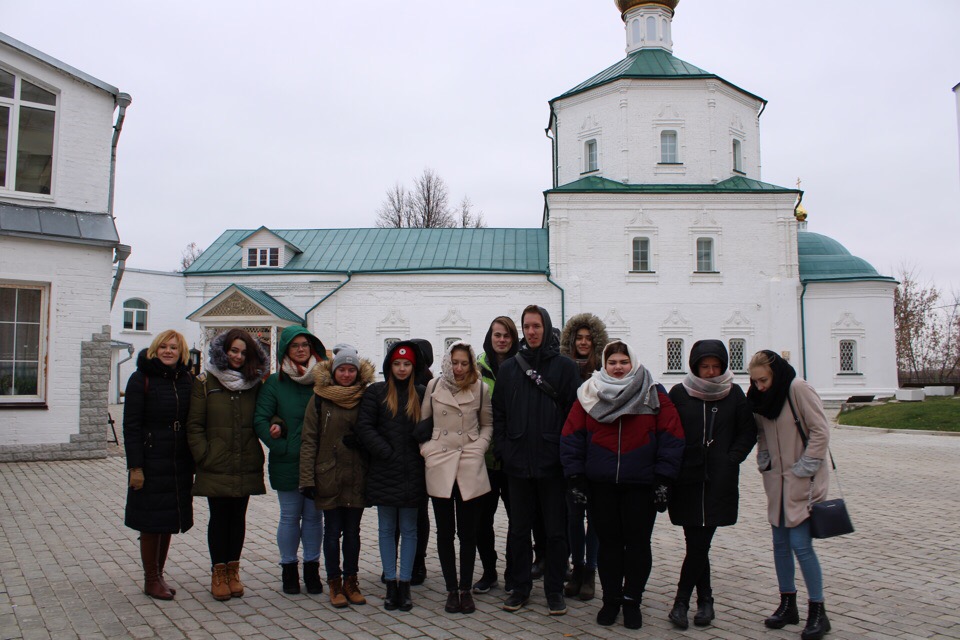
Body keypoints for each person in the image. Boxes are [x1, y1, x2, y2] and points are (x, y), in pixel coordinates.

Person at [560, 340, 684, 629]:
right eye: (612, 362)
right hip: (602, 484)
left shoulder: (652, 392)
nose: (618, 367)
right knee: (610, 546)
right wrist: (576, 476)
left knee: (638, 545)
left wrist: (664, 478)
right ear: (604, 364)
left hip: (640, 484)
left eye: (623, 362)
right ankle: (611, 599)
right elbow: (572, 436)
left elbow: (672, 436)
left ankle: (632, 600)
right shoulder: (590, 392)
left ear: (633, 363)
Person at [492, 305, 580, 616]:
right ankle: (520, 587)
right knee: (519, 530)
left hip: (552, 464)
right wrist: (504, 449)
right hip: (517, 464)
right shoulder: (510, 369)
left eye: (537, 326)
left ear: (546, 327)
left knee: (555, 531)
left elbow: (573, 415)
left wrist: (565, 454)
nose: (531, 332)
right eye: (527, 326)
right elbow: (499, 412)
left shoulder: (564, 368)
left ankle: (554, 590)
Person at [666, 340, 757, 629]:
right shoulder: (680, 393)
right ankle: (705, 601)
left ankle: (682, 602)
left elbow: (747, 431)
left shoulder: (734, 393)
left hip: (719, 478)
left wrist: (732, 458)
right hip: (688, 479)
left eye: (716, 366)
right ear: (695, 366)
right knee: (695, 542)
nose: (710, 372)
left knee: (700, 542)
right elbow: (669, 430)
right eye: (704, 366)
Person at [748, 350, 832, 640]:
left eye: (764, 380)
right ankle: (787, 604)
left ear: (776, 374)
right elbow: (761, 432)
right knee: (780, 544)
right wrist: (764, 458)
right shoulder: (761, 399)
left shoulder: (797, 389)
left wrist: (807, 465)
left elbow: (820, 430)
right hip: (777, 482)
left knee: (801, 545)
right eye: (755, 381)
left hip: (803, 480)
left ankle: (818, 611)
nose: (760, 386)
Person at [187, 329, 268, 601]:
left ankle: (233, 571)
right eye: (234, 350)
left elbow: (266, 415)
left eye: (244, 352)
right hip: (217, 462)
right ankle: (218, 572)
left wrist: (276, 425)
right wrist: (205, 455)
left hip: (245, 460)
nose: (238, 356)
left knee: (238, 518)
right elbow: (194, 425)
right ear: (223, 351)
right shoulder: (205, 382)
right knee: (220, 518)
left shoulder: (254, 384)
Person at [415, 341, 493, 614]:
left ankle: (465, 589)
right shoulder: (435, 386)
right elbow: (423, 424)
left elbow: (487, 425)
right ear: (448, 362)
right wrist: (427, 451)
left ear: (471, 364)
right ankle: (451, 589)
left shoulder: (480, 388)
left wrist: (479, 447)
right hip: (440, 464)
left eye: (464, 363)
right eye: (455, 362)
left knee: (468, 533)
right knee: (445, 532)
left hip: (469, 464)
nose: (459, 368)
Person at [300, 344, 376, 608]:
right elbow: (309, 439)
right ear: (333, 371)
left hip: (356, 474)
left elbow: (374, 431)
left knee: (353, 532)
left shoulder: (365, 397)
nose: (346, 374)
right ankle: (334, 582)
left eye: (350, 370)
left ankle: (351, 581)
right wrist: (307, 479)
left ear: (357, 372)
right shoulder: (319, 398)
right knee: (332, 532)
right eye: (341, 369)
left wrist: (363, 442)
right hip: (328, 474)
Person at [254, 326, 328, 596]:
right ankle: (288, 569)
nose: (300, 349)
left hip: (317, 462)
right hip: (286, 460)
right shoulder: (275, 383)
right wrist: (281, 446)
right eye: (295, 345)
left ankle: (312, 568)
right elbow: (261, 419)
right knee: (289, 516)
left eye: (305, 344)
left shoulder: (323, 381)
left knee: (314, 517)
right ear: (285, 350)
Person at [354, 341, 427, 612]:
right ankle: (390, 582)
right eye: (397, 364)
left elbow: (430, 425)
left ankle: (405, 582)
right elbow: (365, 426)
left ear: (414, 367)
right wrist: (385, 451)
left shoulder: (421, 393)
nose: (402, 368)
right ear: (390, 366)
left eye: (406, 364)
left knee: (409, 529)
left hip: (413, 472)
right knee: (386, 528)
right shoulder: (377, 392)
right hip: (384, 471)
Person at [123, 330, 194, 601]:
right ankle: (150, 579)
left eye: (173, 347)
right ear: (155, 349)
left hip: (177, 461)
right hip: (151, 460)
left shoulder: (185, 379)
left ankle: (159, 574)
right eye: (163, 346)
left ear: (181, 352)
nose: (168, 351)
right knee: (151, 521)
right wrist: (135, 467)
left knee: (168, 520)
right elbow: (131, 426)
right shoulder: (141, 378)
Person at [558, 313, 607, 601]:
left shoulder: (603, 371)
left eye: (589, 338)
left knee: (596, 517)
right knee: (573, 516)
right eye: (579, 338)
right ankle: (577, 567)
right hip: (572, 450)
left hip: (598, 450)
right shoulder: (565, 369)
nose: (584, 342)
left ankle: (591, 570)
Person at [474, 316, 519, 593]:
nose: (501, 340)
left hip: (513, 458)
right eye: (497, 335)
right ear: (490, 337)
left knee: (518, 521)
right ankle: (489, 571)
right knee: (482, 521)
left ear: (513, 339)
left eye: (506, 335)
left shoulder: (522, 366)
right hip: (485, 458)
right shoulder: (477, 368)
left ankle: (513, 572)